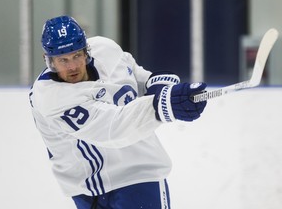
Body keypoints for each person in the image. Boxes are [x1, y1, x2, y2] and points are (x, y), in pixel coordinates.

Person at [29, 15, 207, 209]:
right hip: (87, 190)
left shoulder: (106, 49)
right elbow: (113, 127)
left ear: (86, 50)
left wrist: (157, 85)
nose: (72, 66)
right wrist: (162, 106)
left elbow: (134, 74)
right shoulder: (50, 97)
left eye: (76, 56)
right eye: (63, 60)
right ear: (48, 60)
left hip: (140, 174)